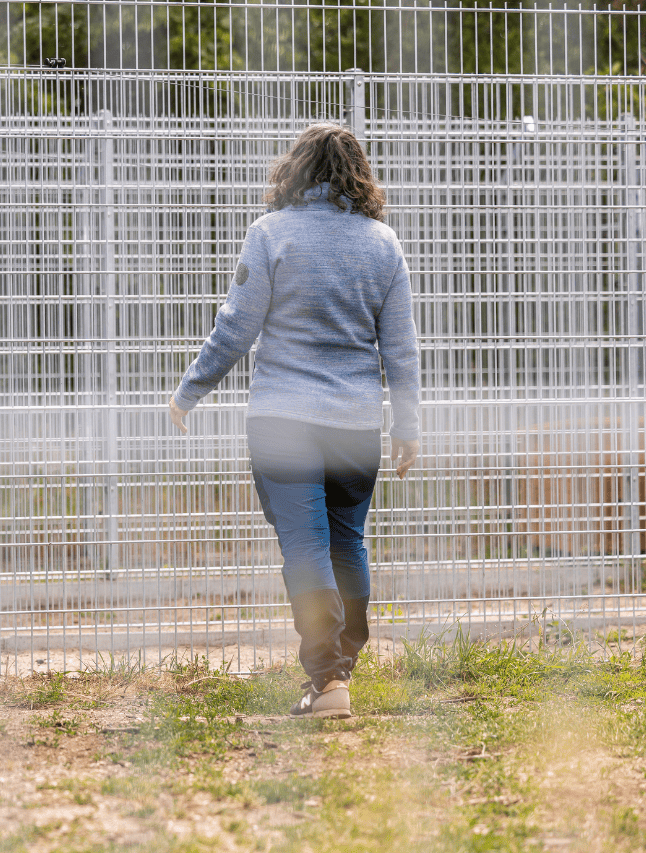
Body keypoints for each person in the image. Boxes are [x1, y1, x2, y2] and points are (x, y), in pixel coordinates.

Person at [169, 123, 420, 720]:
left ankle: (328, 677)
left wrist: (189, 391)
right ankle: (339, 667)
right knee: (346, 540)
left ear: (296, 171)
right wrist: (406, 423)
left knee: (306, 544)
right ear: (358, 174)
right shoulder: (383, 243)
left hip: (283, 419)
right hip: (355, 422)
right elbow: (400, 347)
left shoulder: (271, 234)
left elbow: (236, 326)